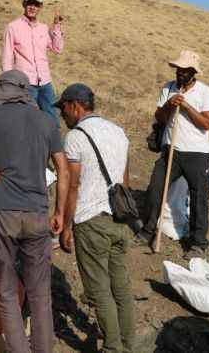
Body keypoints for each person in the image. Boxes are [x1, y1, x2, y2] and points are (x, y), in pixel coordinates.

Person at [0, 70, 69, 353]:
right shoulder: (47, 121)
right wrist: (60, 212)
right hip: (37, 213)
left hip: (1, 212)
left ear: (2, 91)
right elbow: (63, 168)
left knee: (8, 292)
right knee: (40, 294)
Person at [55, 83, 136, 353]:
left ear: (74, 106)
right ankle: (129, 345)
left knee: (99, 291)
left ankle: (113, 348)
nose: (62, 116)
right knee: (121, 289)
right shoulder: (119, 132)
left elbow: (73, 184)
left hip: (91, 220)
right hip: (120, 220)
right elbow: (124, 181)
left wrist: (66, 225)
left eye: (63, 109)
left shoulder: (76, 137)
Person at [134, 50, 209, 259]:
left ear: (193, 73)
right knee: (155, 190)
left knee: (199, 200)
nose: (180, 73)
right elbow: (159, 117)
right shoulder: (168, 88)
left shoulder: (205, 92)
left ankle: (198, 244)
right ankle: (147, 231)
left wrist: (187, 106)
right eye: (178, 69)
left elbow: (207, 124)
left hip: (197, 154)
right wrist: (169, 106)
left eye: (184, 70)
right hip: (170, 149)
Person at [1, 0, 64, 125]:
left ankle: (52, 145)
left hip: (45, 82)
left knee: (52, 120)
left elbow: (58, 48)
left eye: (36, 4)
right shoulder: (13, 27)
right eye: (30, 3)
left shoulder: (43, 28)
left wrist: (57, 26)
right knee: (26, 121)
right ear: (24, 5)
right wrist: (9, 82)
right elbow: (7, 56)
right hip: (25, 84)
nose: (32, 7)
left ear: (40, 7)